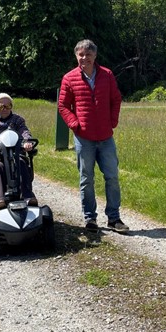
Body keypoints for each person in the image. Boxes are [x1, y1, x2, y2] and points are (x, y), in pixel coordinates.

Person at [58, 39, 129, 232]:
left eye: (88, 54)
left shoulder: (107, 75)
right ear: (76, 56)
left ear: (95, 56)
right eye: (81, 54)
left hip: (106, 138)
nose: (84, 58)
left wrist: (113, 121)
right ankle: (90, 219)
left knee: (112, 177)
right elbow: (63, 106)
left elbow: (116, 99)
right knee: (86, 179)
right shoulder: (69, 78)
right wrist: (74, 124)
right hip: (84, 138)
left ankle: (114, 219)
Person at [0, 93, 38, 211]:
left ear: (11, 107)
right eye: (0, 106)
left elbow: (24, 132)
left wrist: (27, 142)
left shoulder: (17, 120)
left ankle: (28, 197)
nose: (4, 109)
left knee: (21, 162)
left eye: (7, 106)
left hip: (15, 154)